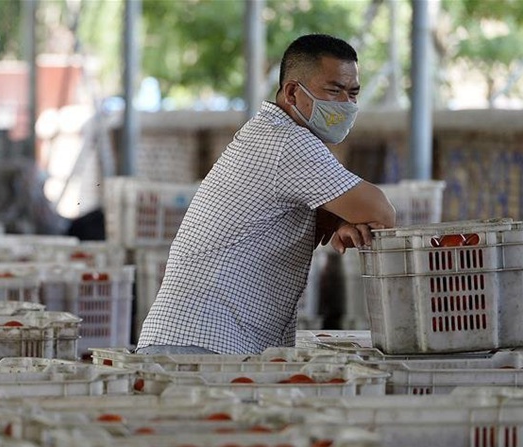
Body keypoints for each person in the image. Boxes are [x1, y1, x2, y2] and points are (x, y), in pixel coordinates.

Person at [135, 34, 396, 356]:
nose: (346, 104)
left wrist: (343, 219)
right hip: (200, 343)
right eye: (333, 90)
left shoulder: (273, 134)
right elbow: (381, 212)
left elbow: (352, 213)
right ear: (292, 92)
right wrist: (349, 218)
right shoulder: (287, 142)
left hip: (203, 341)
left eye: (353, 93)